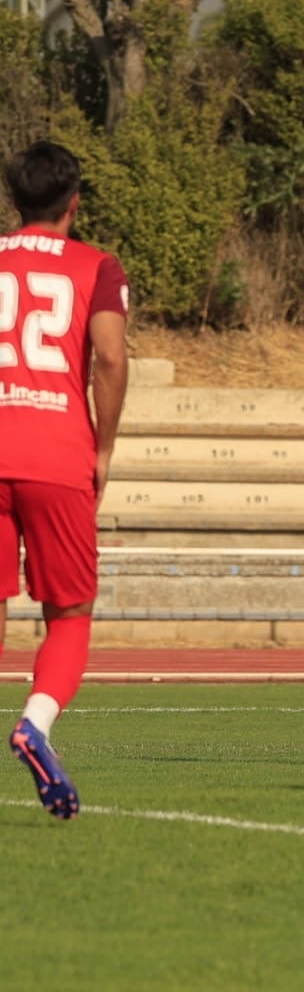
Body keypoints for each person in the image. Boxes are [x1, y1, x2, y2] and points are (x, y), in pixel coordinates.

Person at [0, 141, 130, 819]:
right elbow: (108, 356)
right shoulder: (95, 266)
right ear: (73, 203)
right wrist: (103, 448)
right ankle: (35, 725)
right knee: (69, 614)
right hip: (56, 454)